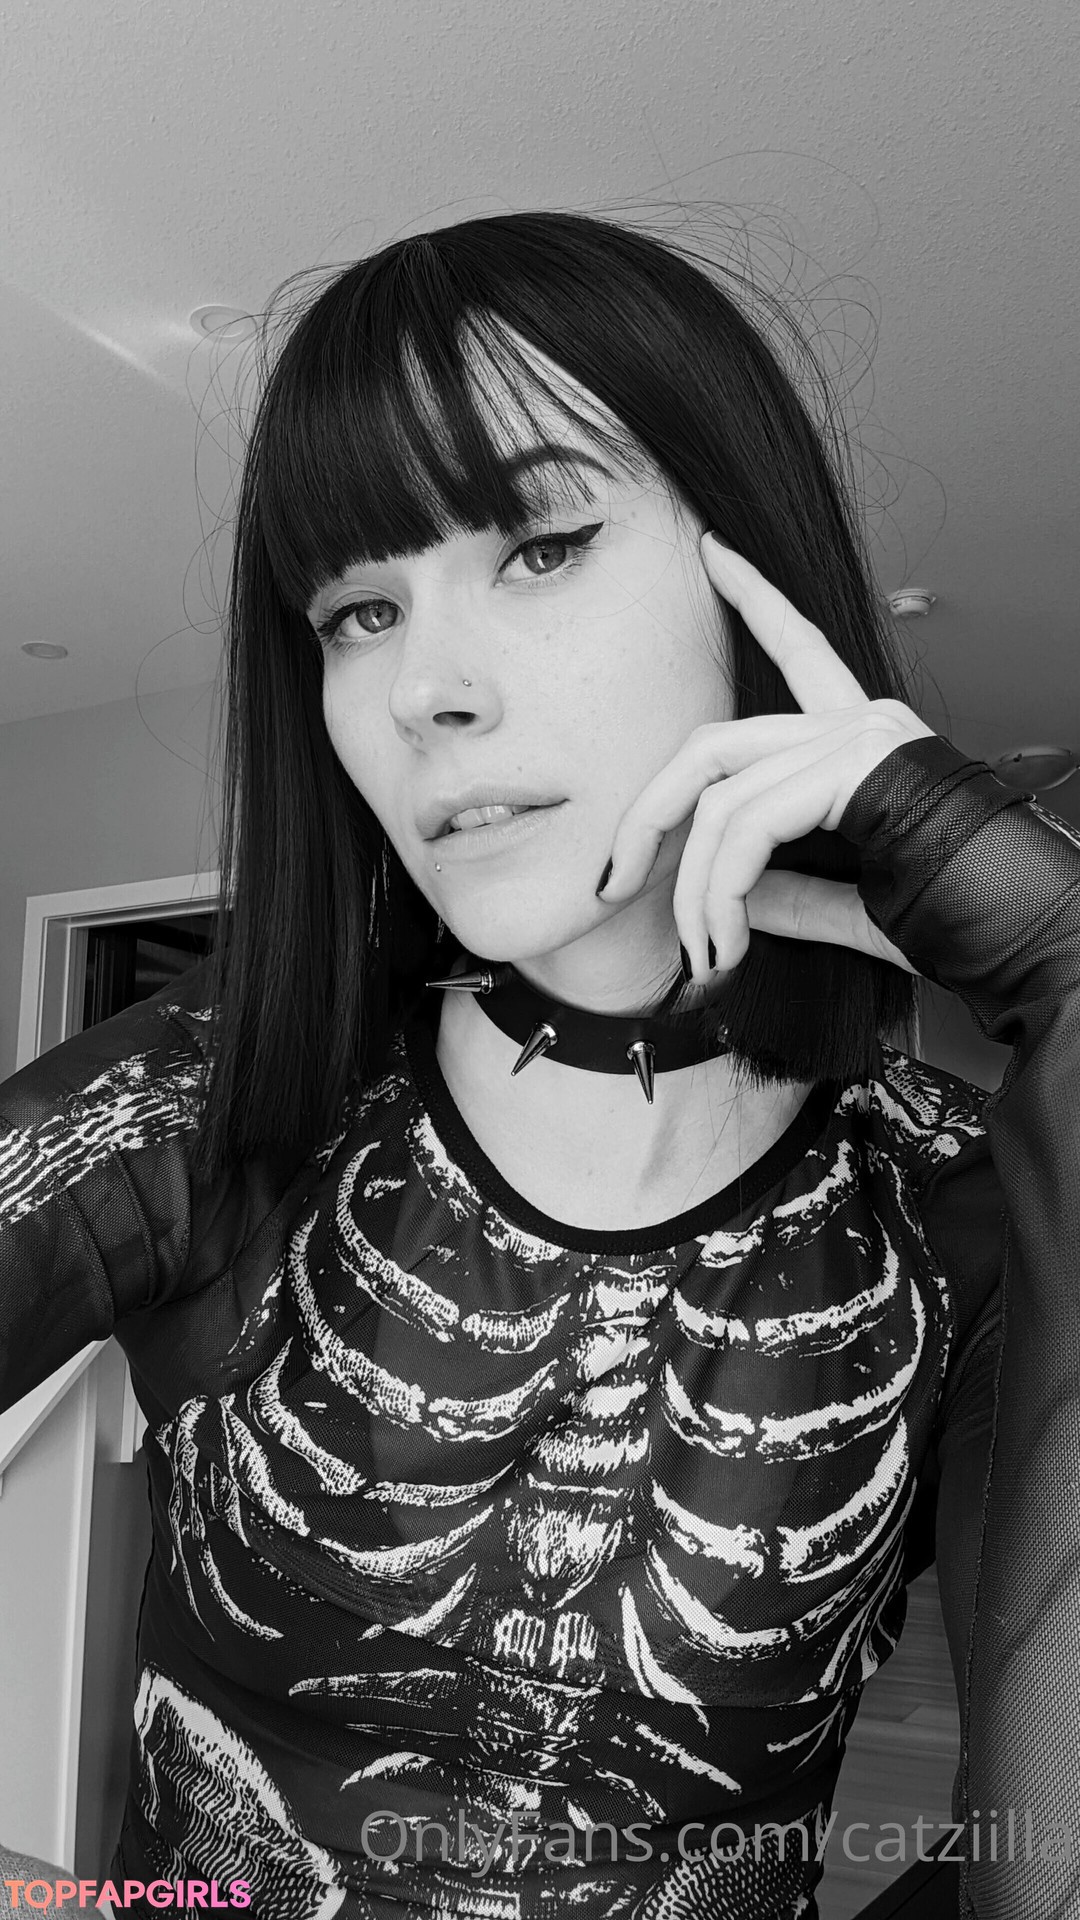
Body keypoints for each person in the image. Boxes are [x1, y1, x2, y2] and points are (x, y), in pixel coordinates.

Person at [1, 209, 1076, 1920]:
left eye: (541, 545)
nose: (424, 688)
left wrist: (1073, 974)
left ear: (755, 574)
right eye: (358, 608)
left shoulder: (957, 1207)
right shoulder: (220, 1096)